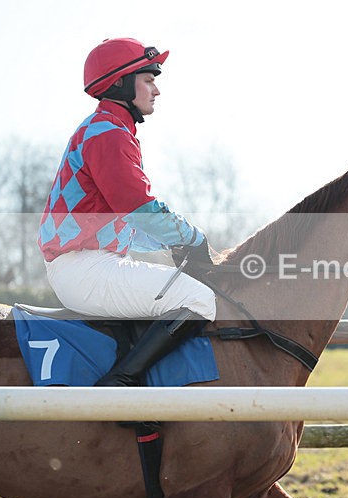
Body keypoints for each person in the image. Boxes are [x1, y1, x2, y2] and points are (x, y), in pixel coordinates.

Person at [38, 38, 216, 387]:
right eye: (148, 80)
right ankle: (119, 384)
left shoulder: (107, 129)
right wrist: (194, 238)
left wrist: (172, 244)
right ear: (120, 83)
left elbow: (126, 225)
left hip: (88, 264)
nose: (156, 90)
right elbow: (142, 209)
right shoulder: (108, 134)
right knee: (198, 298)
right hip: (85, 269)